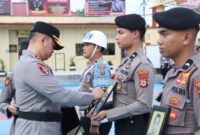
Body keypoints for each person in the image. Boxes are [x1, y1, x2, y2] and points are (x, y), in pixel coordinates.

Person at [13, 21, 104, 135]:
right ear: (43, 41)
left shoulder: (29, 63)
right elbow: (60, 95)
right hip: (37, 129)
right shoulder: (31, 65)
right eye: (53, 46)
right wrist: (92, 96)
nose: (53, 51)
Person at [92, 14, 155, 135]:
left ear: (135, 34)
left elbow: (144, 104)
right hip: (123, 123)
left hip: (134, 126)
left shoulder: (142, 65)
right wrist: (102, 107)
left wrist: (108, 113)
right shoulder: (127, 61)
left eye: (120, 33)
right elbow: (123, 99)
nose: (116, 37)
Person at [153, 7, 200, 134]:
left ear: (186, 38)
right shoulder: (173, 73)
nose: (159, 41)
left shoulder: (196, 75)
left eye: (164, 34)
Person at [79, 30, 112, 135]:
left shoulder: (101, 67)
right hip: (88, 117)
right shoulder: (91, 67)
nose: (83, 48)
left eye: (87, 45)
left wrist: (94, 123)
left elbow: (101, 98)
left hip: (95, 122)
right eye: (84, 45)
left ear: (97, 48)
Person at [0, 39, 29, 135]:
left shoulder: (44, 75)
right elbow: (2, 102)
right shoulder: (12, 77)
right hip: (21, 124)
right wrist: (9, 107)